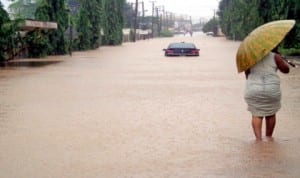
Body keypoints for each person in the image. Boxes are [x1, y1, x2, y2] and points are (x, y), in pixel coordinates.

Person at [244, 46, 290, 141]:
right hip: (271, 89)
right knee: (271, 113)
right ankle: (269, 138)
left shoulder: (250, 57)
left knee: (256, 114)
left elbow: (247, 75)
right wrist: (280, 58)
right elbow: (286, 70)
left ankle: (258, 140)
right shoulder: (275, 56)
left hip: (254, 89)